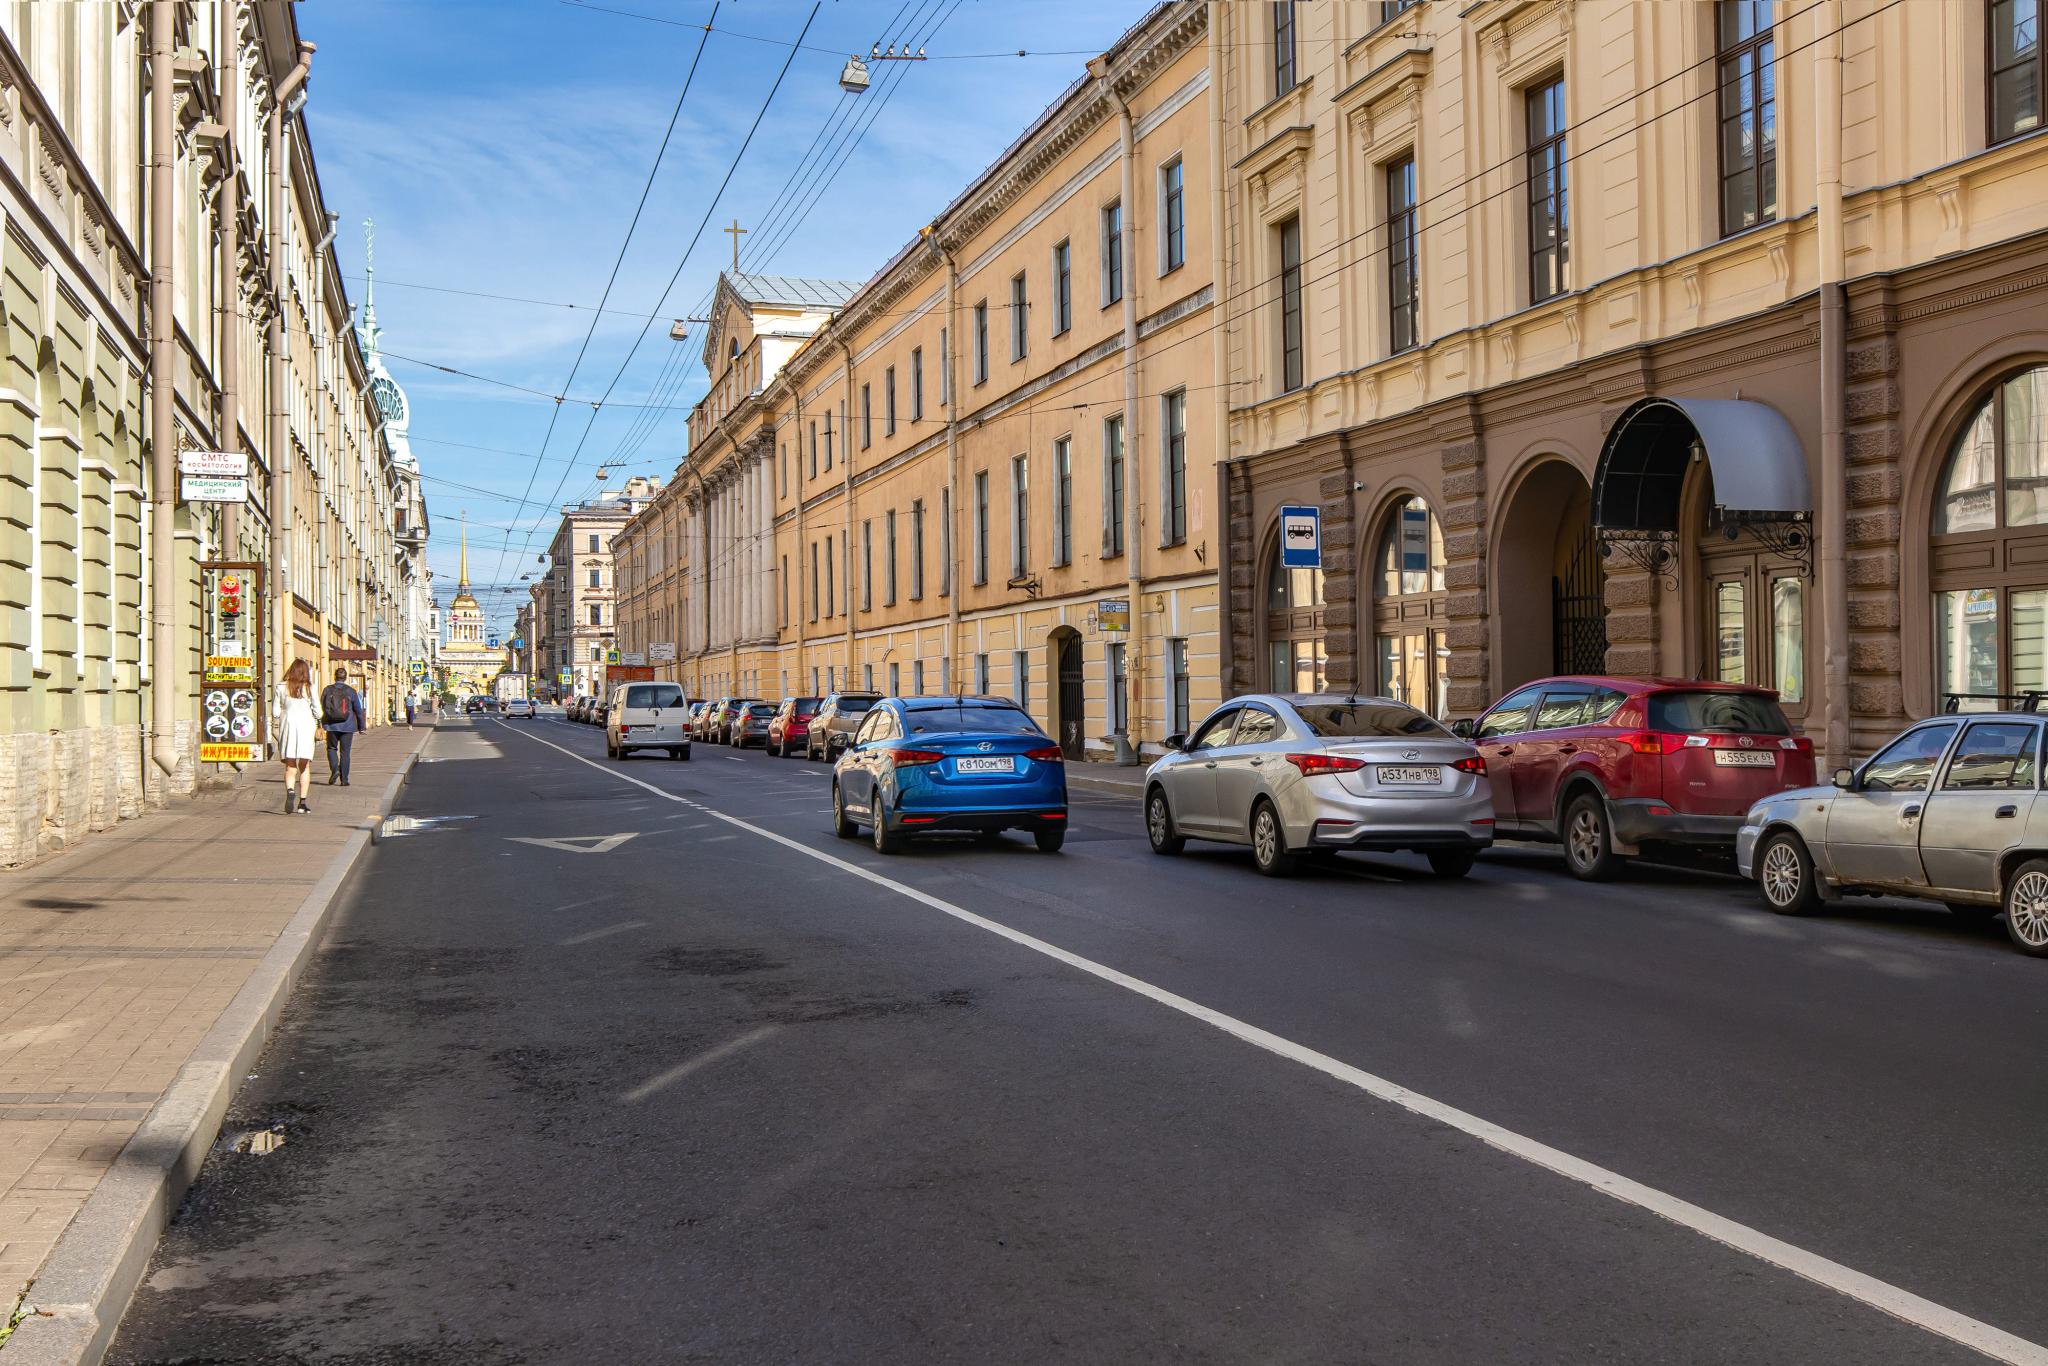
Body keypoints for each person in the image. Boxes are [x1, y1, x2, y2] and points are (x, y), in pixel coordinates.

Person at [274, 658, 317, 815]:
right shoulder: (310, 688)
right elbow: (318, 711)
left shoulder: (281, 687)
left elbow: (275, 711)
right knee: (304, 766)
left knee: (290, 765)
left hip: (288, 727)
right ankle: (302, 803)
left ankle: (290, 790)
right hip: (306, 728)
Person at [320, 666, 367, 787]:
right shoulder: (350, 691)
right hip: (348, 726)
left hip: (331, 725)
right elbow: (358, 709)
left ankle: (335, 769)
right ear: (345, 678)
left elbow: (322, 706)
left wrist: (322, 723)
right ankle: (344, 779)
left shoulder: (327, 690)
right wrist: (361, 727)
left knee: (331, 749)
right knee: (345, 752)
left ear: (335, 677)